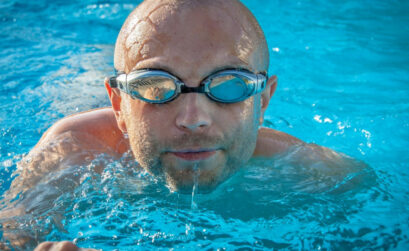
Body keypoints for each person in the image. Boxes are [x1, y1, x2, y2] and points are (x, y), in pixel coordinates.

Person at [1, 0, 358, 250]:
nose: (193, 120)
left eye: (229, 85)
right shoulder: (75, 148)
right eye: (155, 86)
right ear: (118, 104)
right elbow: (12, 234)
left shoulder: (322, 175)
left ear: (262, 100)